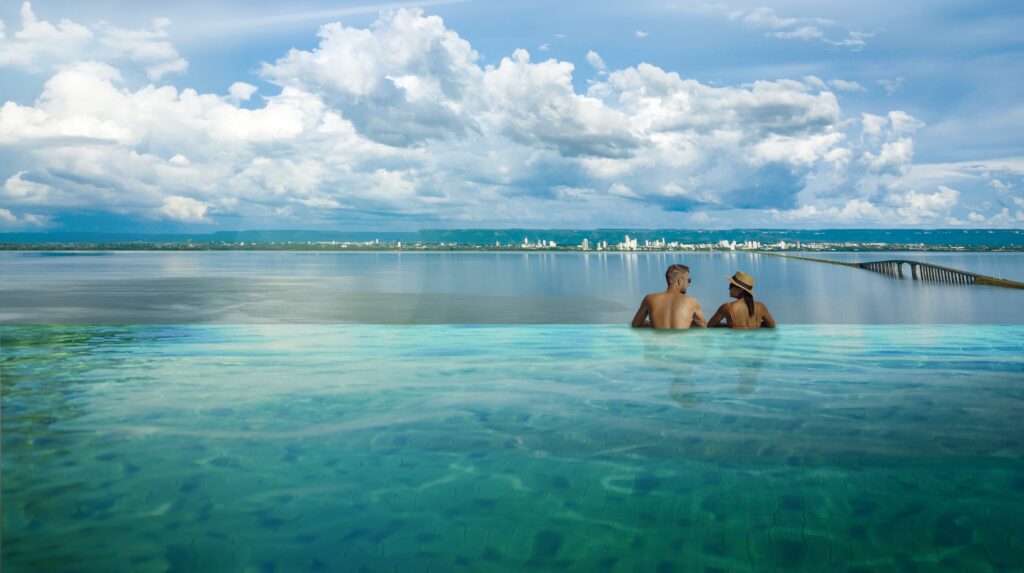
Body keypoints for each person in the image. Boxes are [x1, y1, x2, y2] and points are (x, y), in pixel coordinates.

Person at [631, 264, 706, 329]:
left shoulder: (649, 299)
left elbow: (635, 324)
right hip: (681, 344)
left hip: (657, 343)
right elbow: (704, 326)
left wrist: (652, 324)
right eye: (688, 280)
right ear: (680, 280)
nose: (689, 284)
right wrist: (691, 324)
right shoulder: (692, 301)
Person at [708, 271, 776, 329]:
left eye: (731, 285)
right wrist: (756, 324)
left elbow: (710, 325)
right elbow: (772, 325)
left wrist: (729, 325)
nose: (729, 288)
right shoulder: (760, 307)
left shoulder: (726, 307)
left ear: (740, 289)